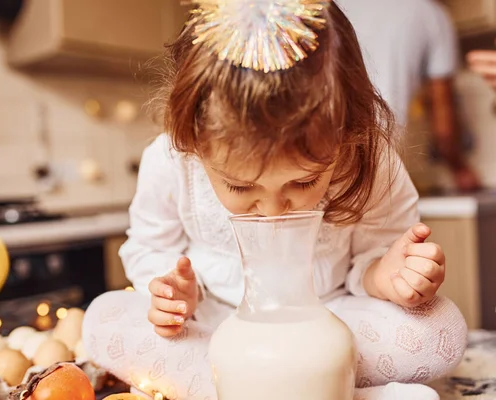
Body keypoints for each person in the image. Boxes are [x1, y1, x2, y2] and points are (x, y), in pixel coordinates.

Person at [83, 1, 467, 399]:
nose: (272, 209)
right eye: (240, 187)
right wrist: (175, 294)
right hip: (216, 326)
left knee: (440, 329)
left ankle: (240, 388)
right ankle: (330, 389)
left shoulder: (371, 161)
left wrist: (385, 275)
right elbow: (149, 247)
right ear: (195, 143)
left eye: (304, 182)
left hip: (331, 322)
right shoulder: (171, 160)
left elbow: (377, 256)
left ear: (347, 135)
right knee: (104, 320)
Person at [338, 0, 481, 192]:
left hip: (319, 159)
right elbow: (444, 128)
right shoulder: (431, 14)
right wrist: (460, 169)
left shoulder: (328, 5)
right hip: (379, 164)